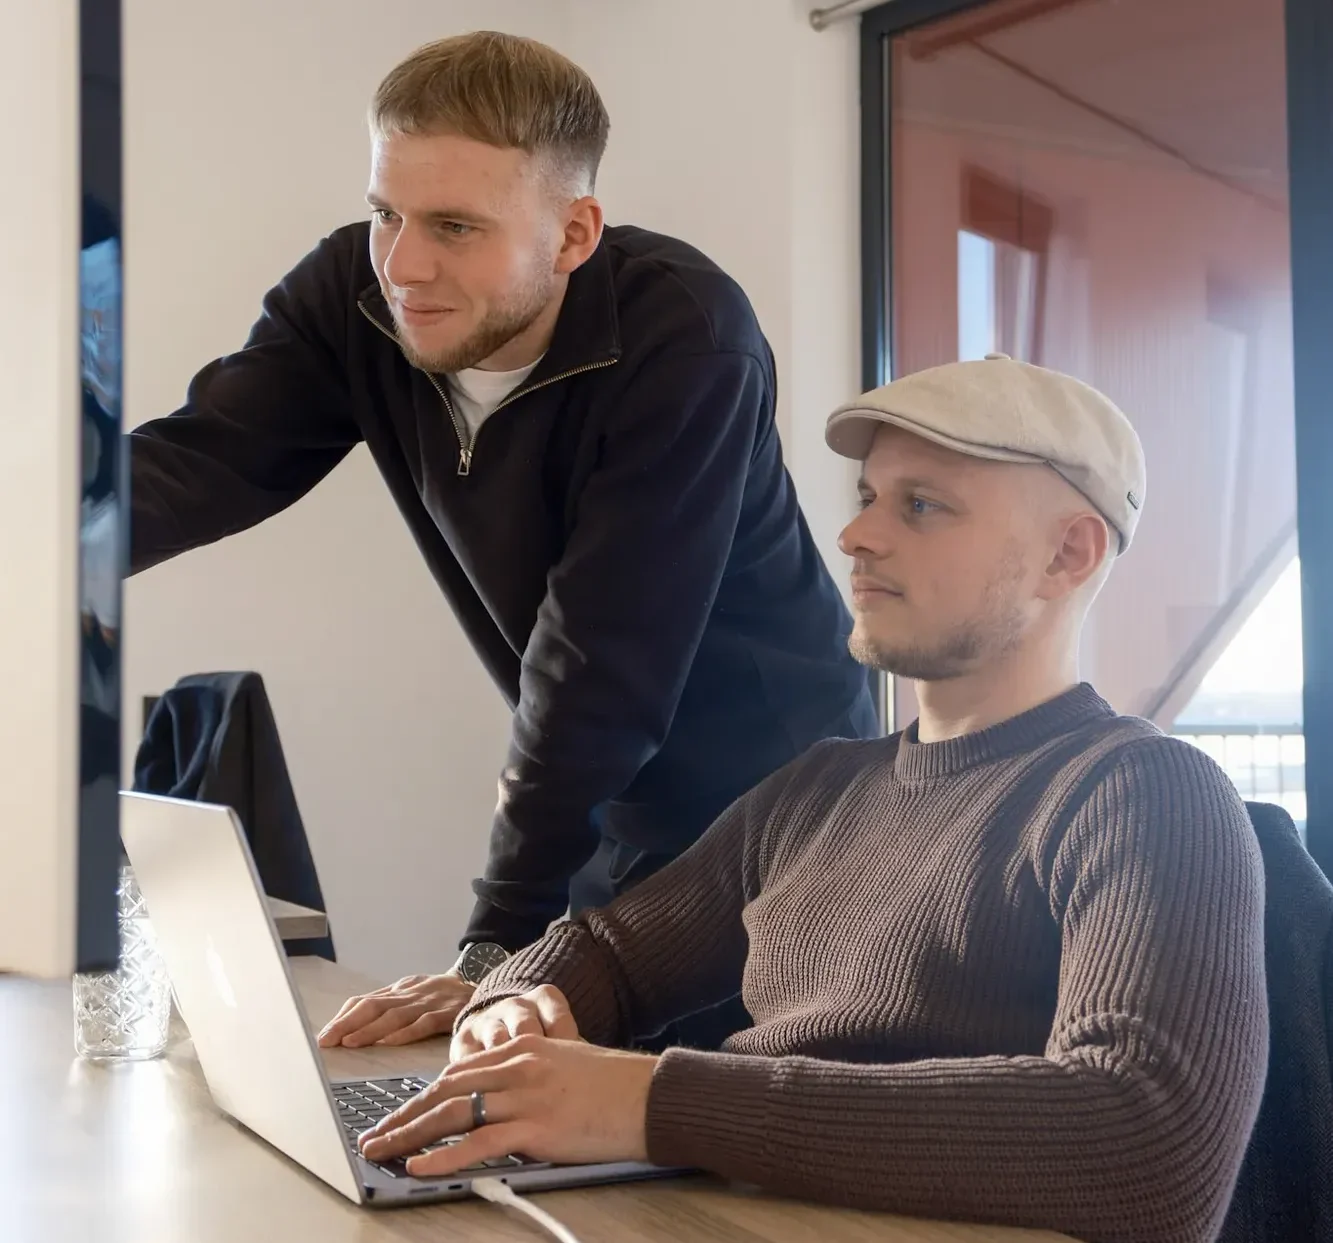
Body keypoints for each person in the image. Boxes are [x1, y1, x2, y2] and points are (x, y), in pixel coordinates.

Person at [351, 355, 1269, 1243]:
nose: (858, 536)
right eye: (869, 498)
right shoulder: (820, 788)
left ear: (1068, 552)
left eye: (921, 505)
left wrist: (649, 1101)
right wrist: (515, 1005)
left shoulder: (1141, 792)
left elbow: (1148, 1141)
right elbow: (606, 951)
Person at [128, 31, 876, 1043]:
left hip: (787, 810)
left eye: (454, 226)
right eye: (384, 212)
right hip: (610, 792)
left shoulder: (684, 339)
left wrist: (493, 944)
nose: (402, 265)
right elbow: (198, 461)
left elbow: (599, 658)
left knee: (691, 1132)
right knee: (559, 1095)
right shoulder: (355, 299)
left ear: (573, 235)